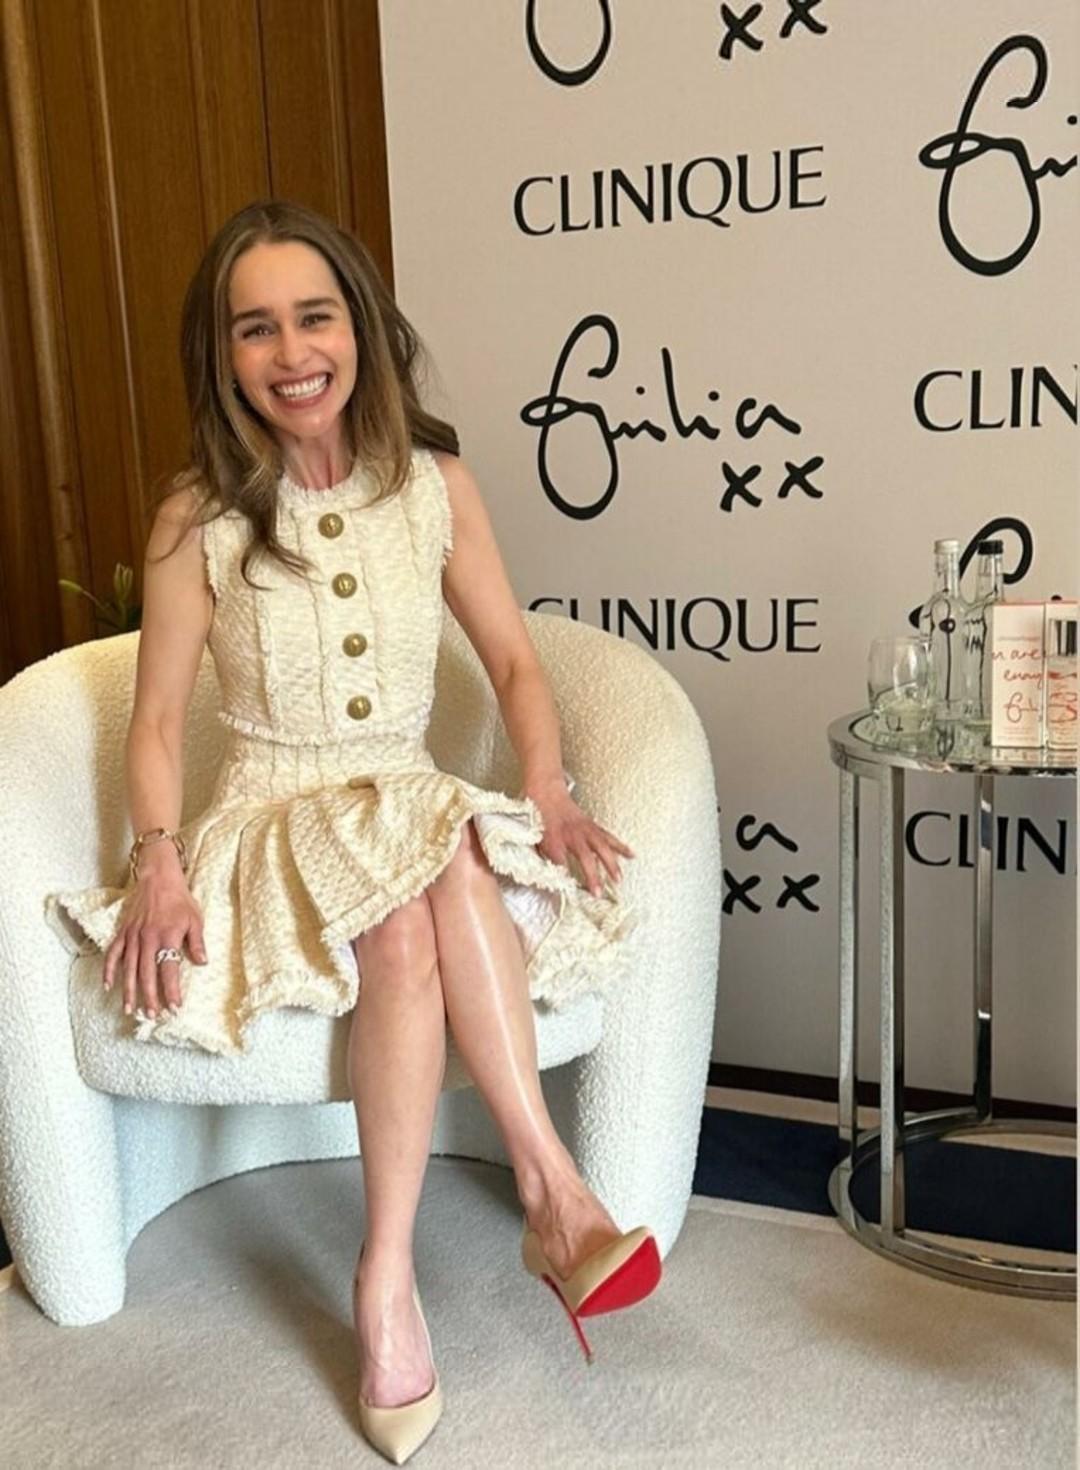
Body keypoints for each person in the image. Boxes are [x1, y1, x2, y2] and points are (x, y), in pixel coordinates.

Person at [46, 200, 661, 1463]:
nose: (292, 352)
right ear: (224, 357)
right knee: (420, 880)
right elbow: (153, 723)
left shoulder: (436, 488)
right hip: (271, 818)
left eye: (315, 317)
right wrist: (157, 863)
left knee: (428, 871)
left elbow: (515, 663)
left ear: (362, 329)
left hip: (406, 801)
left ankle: (411, 1265)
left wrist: (549, 789)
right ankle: (535, 1209)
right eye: (256, 328)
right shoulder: (197, 517)